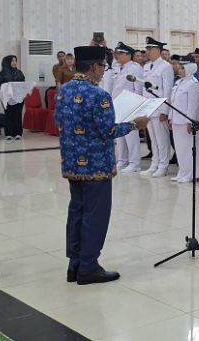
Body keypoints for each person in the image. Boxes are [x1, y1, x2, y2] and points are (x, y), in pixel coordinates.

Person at [55, 46, 150, 284]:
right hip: (96, 165)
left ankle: (74, 264)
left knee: (77, 212)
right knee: (95, 215)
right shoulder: (99, 95)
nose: (103, 71)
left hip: (73, 163)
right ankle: (88, 266)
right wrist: (134, 125)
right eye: (103, 67)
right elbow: (109, 130)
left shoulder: (63, 90)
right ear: (95, 67)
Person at [138, 37, 174, 177]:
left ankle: (163, 166)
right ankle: (154, 164)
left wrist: (165, 110)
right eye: (147, 49)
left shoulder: (165, 66)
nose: (147, 51)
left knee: (162, 139)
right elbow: (144, 89)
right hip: (148, 107)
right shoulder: (147, 66)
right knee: (153, 139)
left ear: (158, 50)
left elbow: (167, 89)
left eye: (150, 49)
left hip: (159, 108)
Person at [108, 43, 144, 173]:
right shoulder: (118, 68)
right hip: (118, 104)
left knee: (131, 135)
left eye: (121, 53)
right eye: (117, 53)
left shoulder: (135, 68)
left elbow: (138, 88)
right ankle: (122, 160)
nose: (118, 56)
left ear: (129, 55)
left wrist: (137, 105)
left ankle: (134, 163)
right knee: (119, 135)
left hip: (130, 104)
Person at [169, 56, 199, 182]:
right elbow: (173, 102)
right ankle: (183, 171)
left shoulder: (193, 84)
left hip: (186, 122)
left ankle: (191, 173)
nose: (180, 70)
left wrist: (190, 121)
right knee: (180, 149)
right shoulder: (179, 83)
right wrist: (170, 117)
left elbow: (193, 106)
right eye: (180, 67)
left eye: (183, 68)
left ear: (190, 69)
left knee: (188, 148)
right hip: (176, 120)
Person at [0, 55, 26, 140]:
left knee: (17, 114)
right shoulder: (2, 73)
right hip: (7, 97)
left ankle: (18, 133)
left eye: (15, 60)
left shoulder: (19, 72)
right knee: (9, 115)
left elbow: (23, 83)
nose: (14, 62)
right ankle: (9, 133)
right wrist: (8, 86)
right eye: (12, 61)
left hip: (18, 97)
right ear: (7, 62)